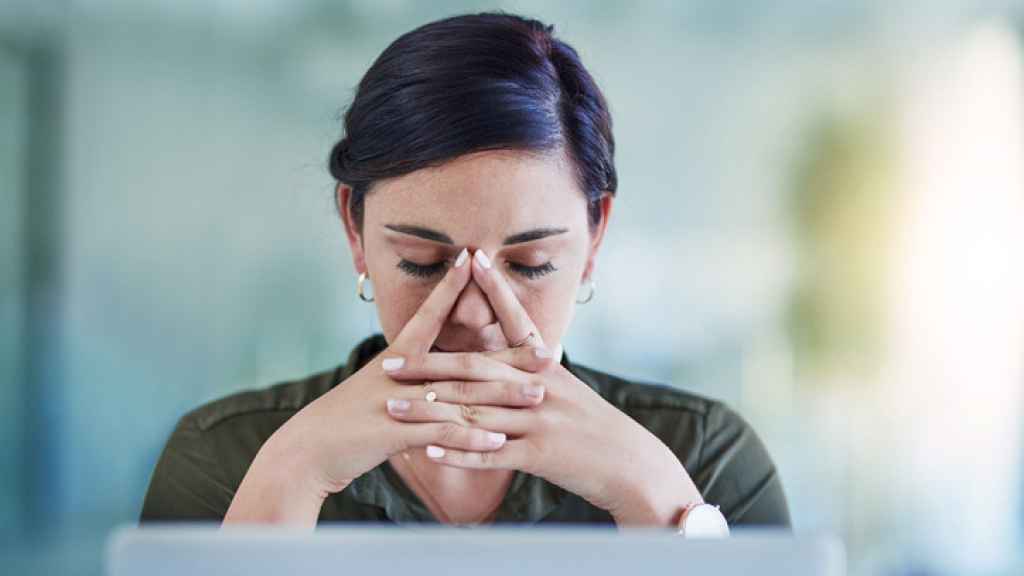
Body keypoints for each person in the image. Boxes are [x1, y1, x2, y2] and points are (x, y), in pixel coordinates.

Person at [140, 11, 790, 530]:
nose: (475, 314)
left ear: (594, 238)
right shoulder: (224, 455)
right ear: (355, 232)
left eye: (531, 264)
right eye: (424, 263)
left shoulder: (706, 457)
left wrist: (654, 497)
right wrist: (292, 472)